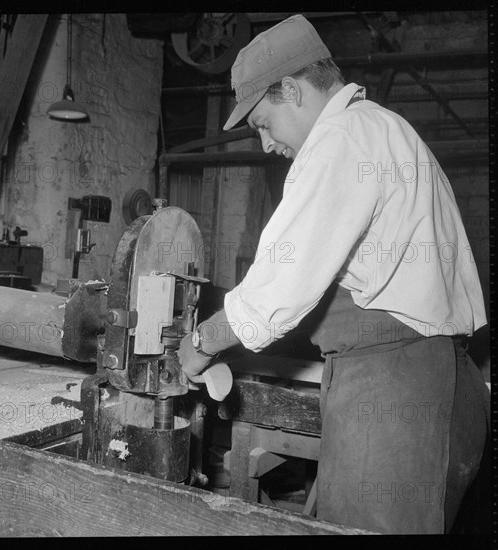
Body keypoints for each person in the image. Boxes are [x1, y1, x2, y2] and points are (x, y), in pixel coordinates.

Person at [176, 14, 489, 534]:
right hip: (437, 384)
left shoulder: (344, 137)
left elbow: (280, 283)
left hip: (395, 395)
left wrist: (202, 342)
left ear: (292, 90)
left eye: (262, 123)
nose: (266, 145)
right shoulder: (387, 129)